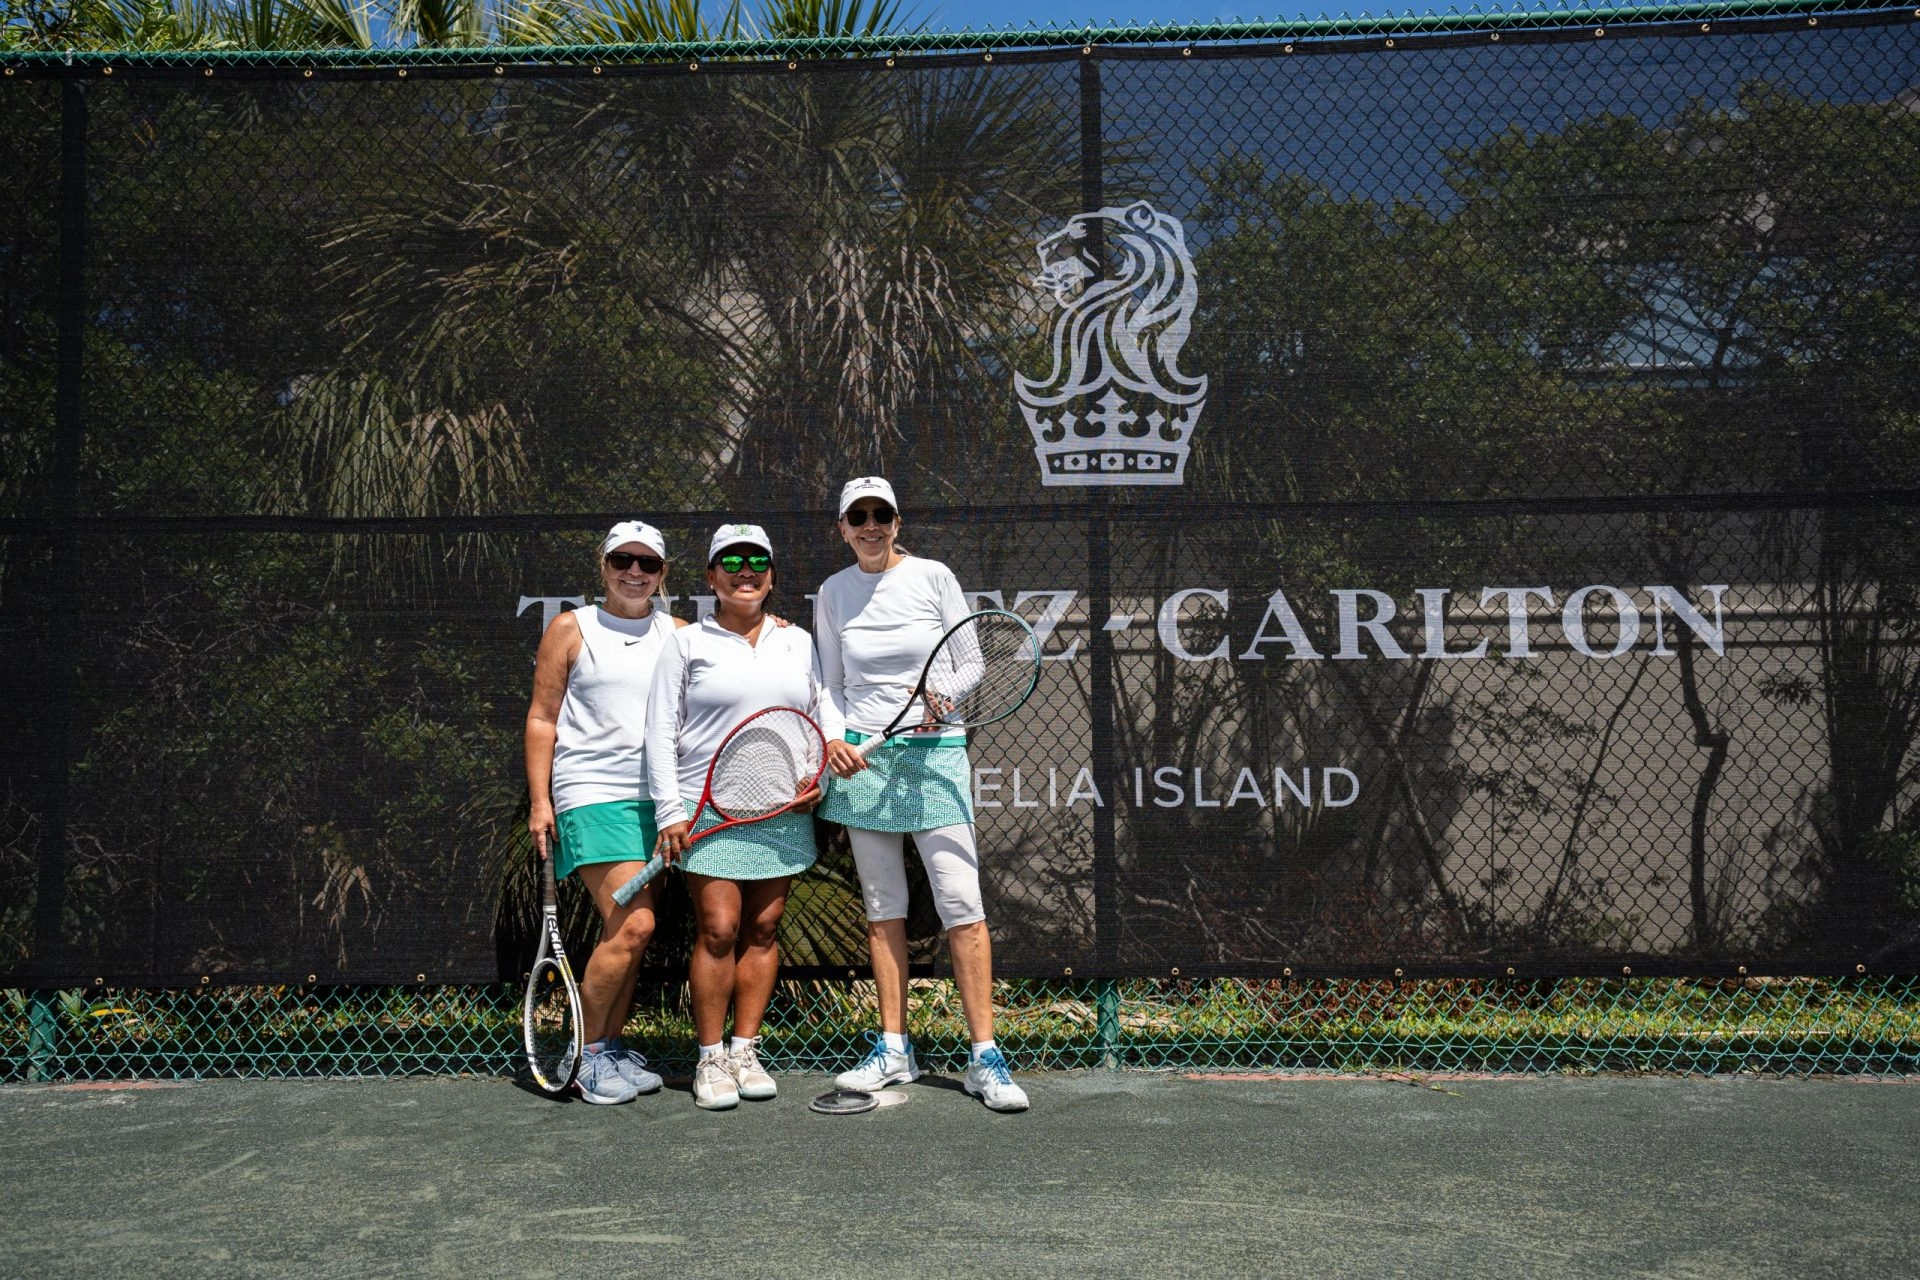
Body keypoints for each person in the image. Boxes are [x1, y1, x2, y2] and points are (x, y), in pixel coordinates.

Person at [815, 477, 1030, 1112]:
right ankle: (893, 1048)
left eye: (882, 515)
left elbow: (971, 661)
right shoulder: (833, 592)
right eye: (860, 517)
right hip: (866, 764)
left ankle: (984, 1058)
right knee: (885, 905)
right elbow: (828, 680)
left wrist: (947, 697)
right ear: (844, 527)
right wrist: (835, 740)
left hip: (935, 758)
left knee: (961, 903)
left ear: (897, 522)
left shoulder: (934, 577)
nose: (871, 526)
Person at [646, 523, 828, 1110]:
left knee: (763, 929)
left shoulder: (798, 641)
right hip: (706, 809)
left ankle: (745, 1050)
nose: (744, 571)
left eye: (757, 562)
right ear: (711, 576)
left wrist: (815, 774)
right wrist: (671, 811)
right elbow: (659, 731)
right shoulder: (686, 643)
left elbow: (820, 712)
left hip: (781, 807)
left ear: (771, 576)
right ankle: (709, 1057)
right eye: (732, 561)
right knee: (719, 929)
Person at [524, 521, 683, 1105]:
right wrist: (541, 801)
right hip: (591, 792)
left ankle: (609, 1048)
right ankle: (582, 1055)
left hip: (661, 803)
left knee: (630, 933)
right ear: (604, 564)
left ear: (663, 574)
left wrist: (779, 630)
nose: (634, 572)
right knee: (635, 925)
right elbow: (543, 717)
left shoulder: (681, 633)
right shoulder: (571, 628)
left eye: (647, 563)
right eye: (623, 559)